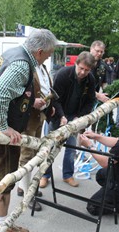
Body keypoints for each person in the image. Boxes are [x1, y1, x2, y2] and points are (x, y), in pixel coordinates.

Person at [0, 28, 57, 231]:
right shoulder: (22, 65)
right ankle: (4, 226)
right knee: (5, 179)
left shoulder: (14, 52)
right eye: (48, 55)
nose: (47, 59)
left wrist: (30, 104)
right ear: (39, 51)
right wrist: (4, 127)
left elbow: (8, 93)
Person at [39, 51, 96, 188]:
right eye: (81, 68)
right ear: (76, 64)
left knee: (71, 147)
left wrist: (79, 117)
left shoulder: (91, 80)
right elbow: (55, 98)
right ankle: (44, 175)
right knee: (49, 146)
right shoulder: (63, 74)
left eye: (86, 70)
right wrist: (61, 116)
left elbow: (90, 102)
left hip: (74, 116)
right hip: (56, 114)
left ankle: (68, 175)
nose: (83, 72)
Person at [17, 63, 55, 212]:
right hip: (28, 117)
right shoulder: (26, 67)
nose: (49, 55)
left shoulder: (43, 67)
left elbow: (45, 88)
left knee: (33, 154)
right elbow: (16, 92)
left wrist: (50, 105)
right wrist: (32, 102)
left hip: (39, 116)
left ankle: (22, 187)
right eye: (48, 52)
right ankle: (28, 195)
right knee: (27, 155)